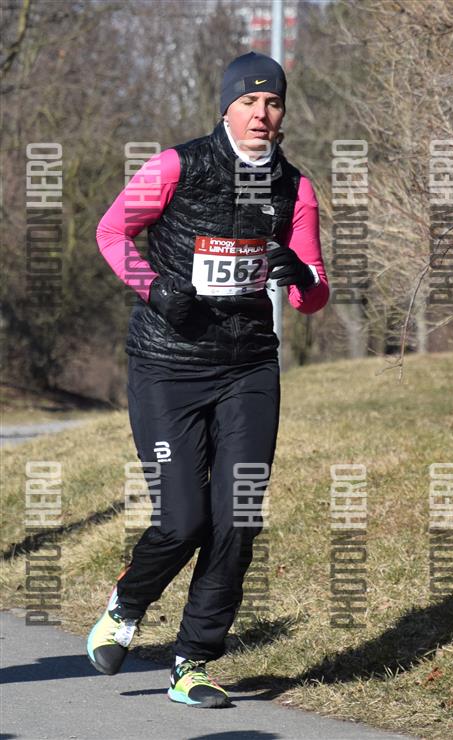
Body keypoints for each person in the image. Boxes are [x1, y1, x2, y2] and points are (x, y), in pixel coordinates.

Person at [87, 51, 329, 709]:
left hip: (247, 367)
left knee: (239, 516)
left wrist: (300, 275)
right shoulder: (176, 165)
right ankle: (126, 605)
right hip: (168, 365)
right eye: (249, 101)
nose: (261, 113)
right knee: (183, 519)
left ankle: (192, 662)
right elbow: (111, 231)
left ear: (283, 112)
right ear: (226, 107)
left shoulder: (295, 188)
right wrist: (153, 288)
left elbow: (313, 295)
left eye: (272, 102)